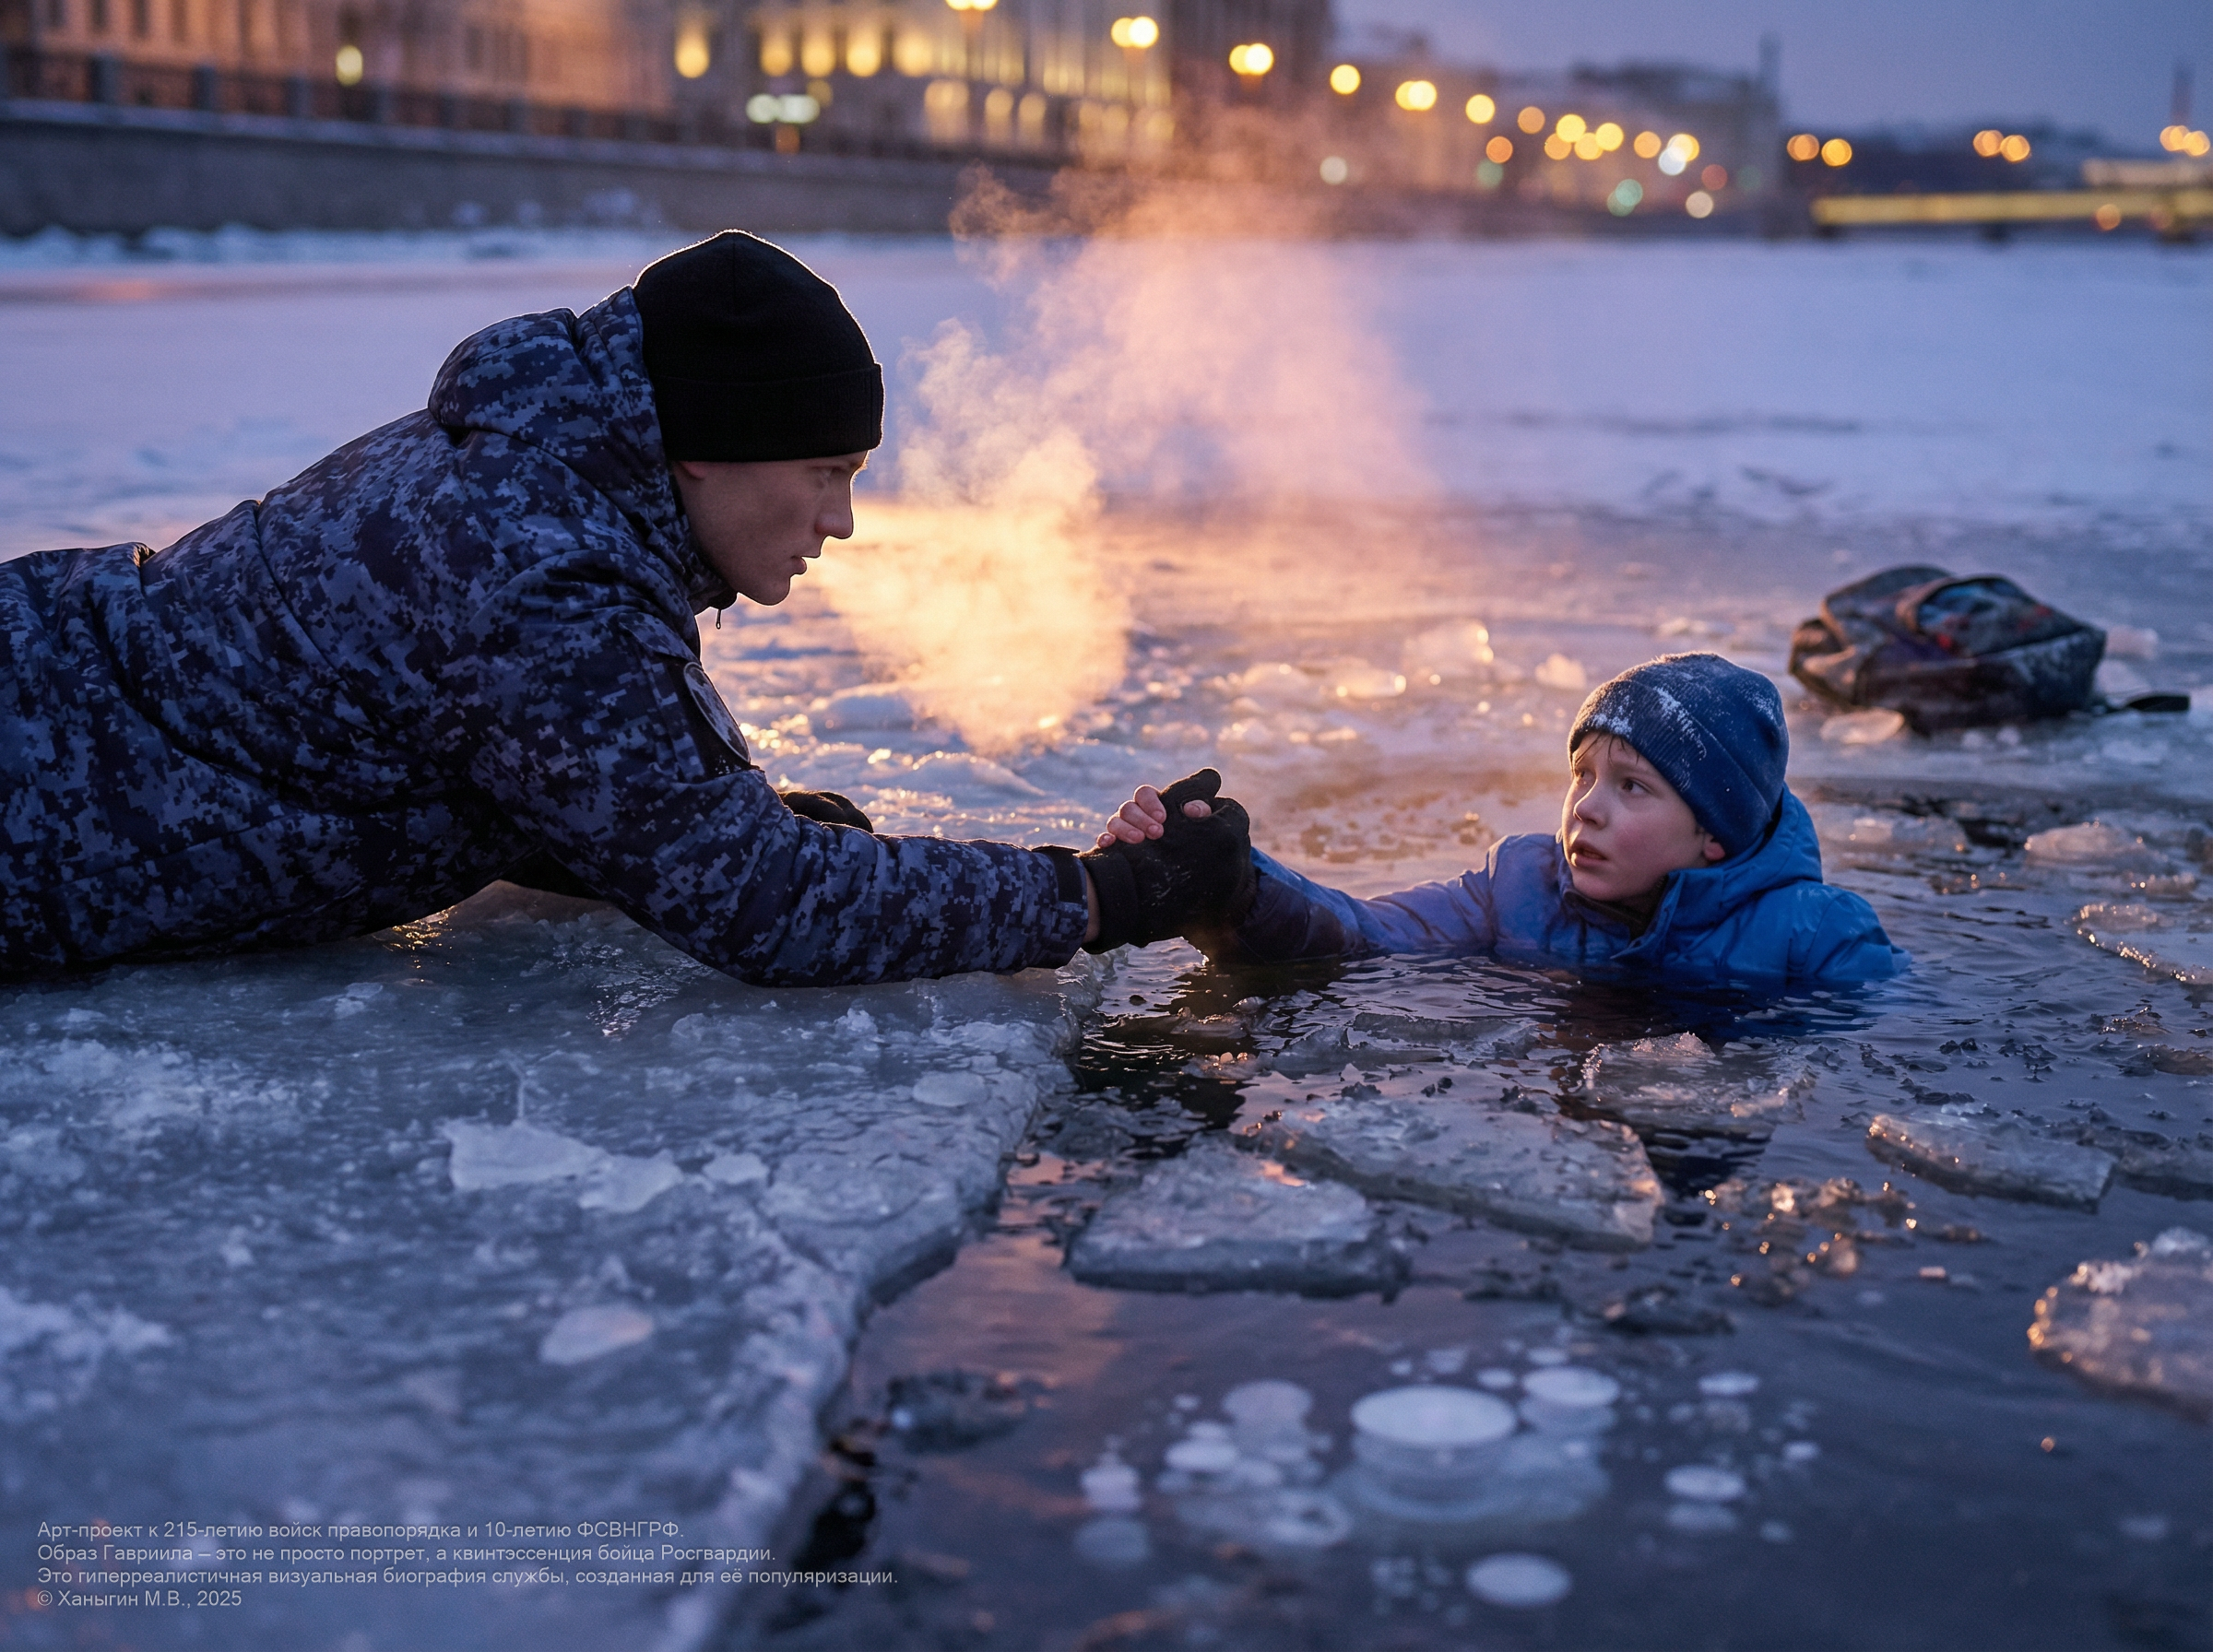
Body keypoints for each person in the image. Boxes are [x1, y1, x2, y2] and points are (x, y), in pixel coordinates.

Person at [0, 231, 1238, 985]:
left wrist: (650, 819)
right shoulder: (544, 577)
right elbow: (764, 909)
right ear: (708, 449)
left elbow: (447, 738)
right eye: (827, 474)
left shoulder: (537, 471)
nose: (841, 521)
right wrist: (1098, 900)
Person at [1097, 654, 1907, 989]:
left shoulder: (1814, 935)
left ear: (1714, 836)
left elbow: (1898, 1045)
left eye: (1634, 788)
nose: (1586, 806)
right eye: (1583, 776)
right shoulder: (1519, 887)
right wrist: (1234, 885)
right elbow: (1366, 934)